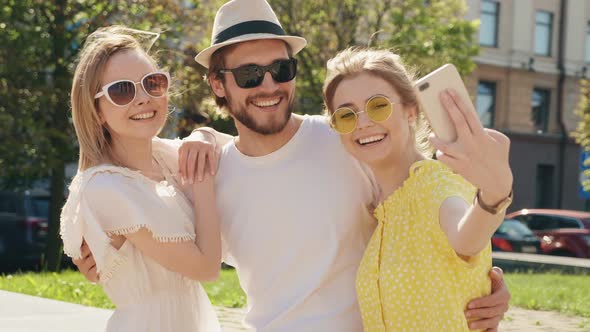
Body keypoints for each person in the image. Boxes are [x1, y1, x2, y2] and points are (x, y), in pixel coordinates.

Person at [75, 1, 510, 331]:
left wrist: (481, 282)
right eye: (248, 75)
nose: (268, 85)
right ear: (218, 84)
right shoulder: (203, 174)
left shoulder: (348, 140)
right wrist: (92, 248)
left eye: (281, 69)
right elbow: (136, 194)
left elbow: (424, 217)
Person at [322, 48, 513, 331]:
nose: (362, 123)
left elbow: (466, 238)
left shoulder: (434, 185)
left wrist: (495, 194)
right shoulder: (382, 204)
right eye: (346, 115)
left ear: (411, 110)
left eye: (378, 106)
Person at [60, 26, 221, 331]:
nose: (144, 98)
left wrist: (204, 135)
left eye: (153, 83)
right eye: (122, 90)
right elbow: (206, 267)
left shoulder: (164, 157)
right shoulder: (105, 186)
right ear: (96, 111)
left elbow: (241, 149)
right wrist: (203, 179)